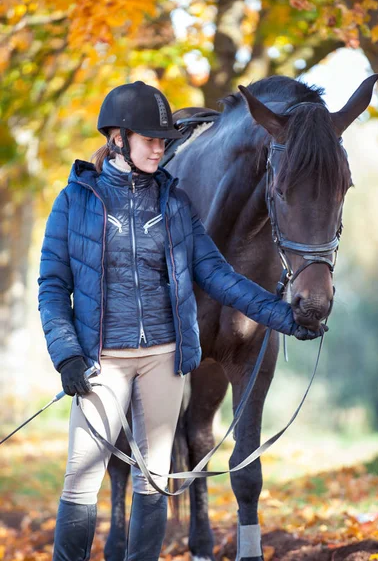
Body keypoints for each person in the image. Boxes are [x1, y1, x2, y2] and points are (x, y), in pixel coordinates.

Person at [38, 81, 325, 561]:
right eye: (150, 139)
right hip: (101, 360)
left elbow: (217, 274)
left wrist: (285, 317)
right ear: (117, 139)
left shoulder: (175, 204)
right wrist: (65, 351)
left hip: (162, 361)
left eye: (164, 139)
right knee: (82, 475)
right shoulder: (75, 201)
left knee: (154, 480)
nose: (160, 147)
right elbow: (52, 286)